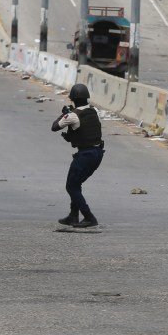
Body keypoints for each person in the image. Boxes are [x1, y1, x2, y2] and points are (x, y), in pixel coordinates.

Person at [52, 83, 104, 228]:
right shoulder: (93, 111)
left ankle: (89, 217)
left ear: (73, 99)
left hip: (85, 155)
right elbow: (83, 131)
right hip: (97, 153)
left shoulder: (73, 115)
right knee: (76, 184)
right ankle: (73, 216)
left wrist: (64, 114)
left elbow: (54, 127)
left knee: (71, 186)